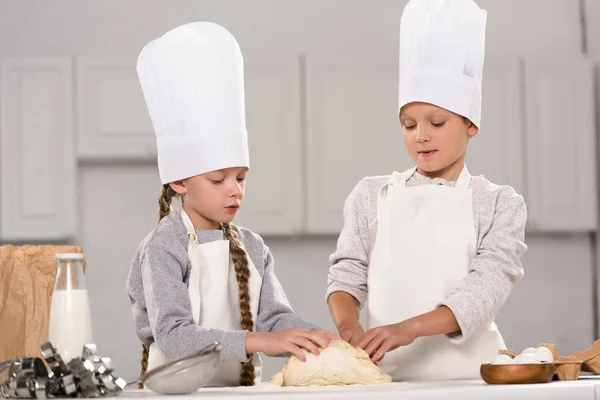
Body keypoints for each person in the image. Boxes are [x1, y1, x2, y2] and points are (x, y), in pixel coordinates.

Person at [126, 21, 337, 387]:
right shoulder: (164, 247)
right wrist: (260, 342)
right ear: (179, 181)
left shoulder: (252, 247)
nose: (234, 190)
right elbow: (175, 337)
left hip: (241, 393)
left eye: (241, 178)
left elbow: (274, 320)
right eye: (217, 179)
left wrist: (319, 338)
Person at [326, 0, 528, 381]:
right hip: (385, 381)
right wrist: (349, 326)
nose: (420, 135)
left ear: (471, 124)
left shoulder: (500, 204)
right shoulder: (371, 196)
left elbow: (483, 291)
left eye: (436, 122)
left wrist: (408, 328)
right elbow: (347, 274)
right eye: (408, 124)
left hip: (472, 380)